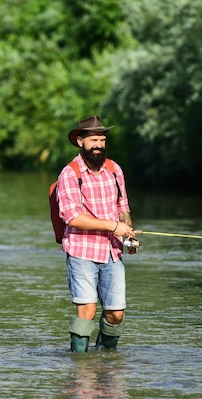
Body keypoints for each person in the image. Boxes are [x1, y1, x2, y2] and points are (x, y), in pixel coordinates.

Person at [56, 115, 139, 352]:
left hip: (112, 252)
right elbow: (72, 217)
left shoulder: (114, 170)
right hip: (82, 251)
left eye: (102, 140)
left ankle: (105, 360)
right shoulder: (70, 174)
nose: (99, 145)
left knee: (116, 314)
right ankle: (80, 365)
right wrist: (113, 227)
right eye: (94, 140)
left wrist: (129, 236)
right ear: (80, 141)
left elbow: (122, 207)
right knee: (87, 311)